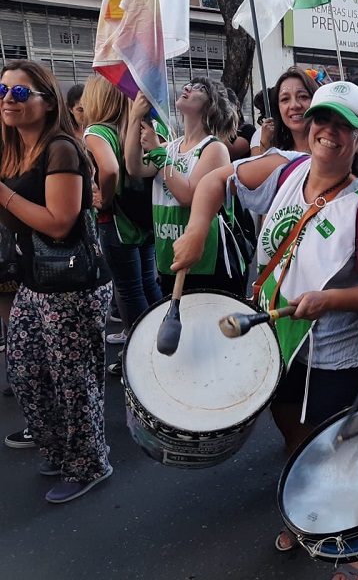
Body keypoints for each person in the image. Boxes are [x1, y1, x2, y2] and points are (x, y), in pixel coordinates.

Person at [170, 82, 358, 576]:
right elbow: (213, 183)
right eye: (323, 120)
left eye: (344, 125)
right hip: (276, 344)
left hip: (336, 358)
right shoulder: (285, 170)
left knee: (343, 451)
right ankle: (310, 514)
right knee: (297, 440)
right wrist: (196, 232)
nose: (328, 132)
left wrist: (333, 300)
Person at [0, 60, 113, 502]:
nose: (9, 98)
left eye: (21, 92)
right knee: (27, 372)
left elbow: (59, 223)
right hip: (34, 280)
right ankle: (61, 450)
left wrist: (3, 192)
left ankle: (89, 464)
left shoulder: (62, 148)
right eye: (3, 90)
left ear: (47, 102)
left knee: (73, 380)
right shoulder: (13, 147)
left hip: (74, 284)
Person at [125, 77, 241, 296]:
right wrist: (134, 117)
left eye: (199, 88)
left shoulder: (214, 148)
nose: (187, 87)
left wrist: (157, 153)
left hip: (205, 262)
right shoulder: (171, 146)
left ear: (211, 105)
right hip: (170, 254)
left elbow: (187, 195)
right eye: (189, 84)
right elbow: (135, 167)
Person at [81, 75, 162, 374]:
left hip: (116, 222)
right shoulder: (147, 126)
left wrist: (104, 196)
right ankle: (160, 345)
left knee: (128, 290)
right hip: (149, 218)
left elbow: (110, 168)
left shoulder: (97, 131)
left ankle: (140, 359)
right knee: (149, 283)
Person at [249, 67, 317, 158]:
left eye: (303, 97)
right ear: (278, 108)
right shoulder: (277, 152)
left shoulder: (331, 151)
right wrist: (265, 144)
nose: (294, 105)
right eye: (285, 99)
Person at [224, 87, 256, 162]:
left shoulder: (248, 129)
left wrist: (214, 127)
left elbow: (233, 153)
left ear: (237, 105)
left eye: (225, 106)